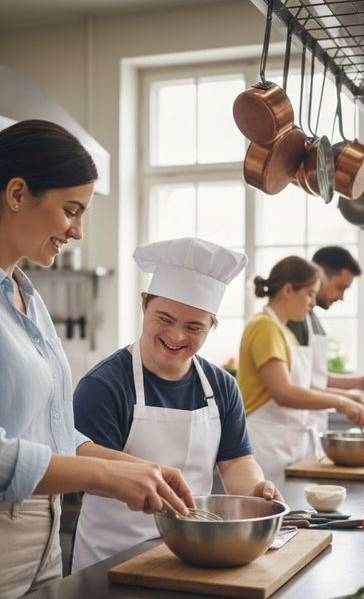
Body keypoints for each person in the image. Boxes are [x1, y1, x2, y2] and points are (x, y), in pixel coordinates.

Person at [0, 120, 193, 599]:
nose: (77, 231)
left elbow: (50, 431)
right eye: (71, 210)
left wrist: (137, 467)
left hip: (40, 536)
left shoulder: (24, 296)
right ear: (16, 193)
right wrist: (109, 477)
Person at [71, 237, 281, 572]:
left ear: (211, 326)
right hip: (111, 561)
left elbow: (236, 461)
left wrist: (257, 492)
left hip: (191, 555)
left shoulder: (221, 385)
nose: (176, 336)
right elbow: (87, 473)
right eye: (165, 319)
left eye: (194, 327)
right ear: (144, 305)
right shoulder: (104, 386)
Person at [238, 256, 364, 475]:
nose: (312, 302)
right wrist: (339, 402)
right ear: (288, 290)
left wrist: (347, 397)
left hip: (286, 445)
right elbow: (283, 392)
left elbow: (305, 386)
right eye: (309, 294)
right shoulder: (264, 327)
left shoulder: (284, 332)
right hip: (267, 445)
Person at [286, 246, 364, 432]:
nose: (342, 297)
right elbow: (291, 385)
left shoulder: (312, 320)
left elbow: (315, 377)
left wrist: (357, 383)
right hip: (289, 428)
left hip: (311, 427)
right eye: (340, 287)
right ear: (319, 273)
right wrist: (342, 401)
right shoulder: (293, 320)